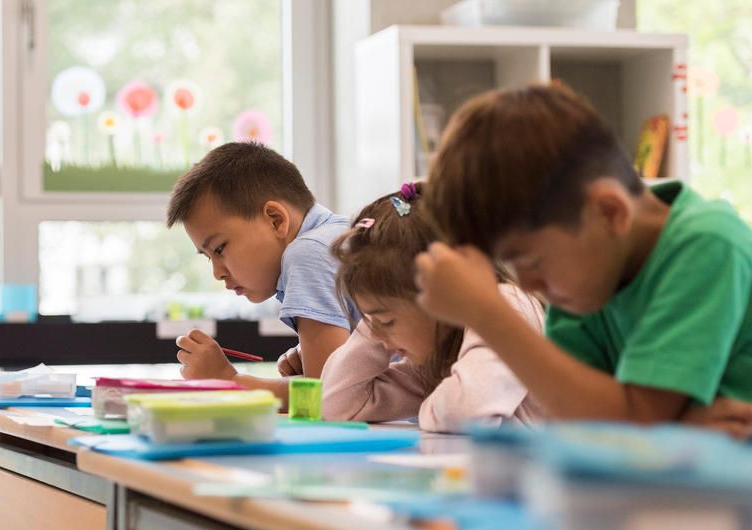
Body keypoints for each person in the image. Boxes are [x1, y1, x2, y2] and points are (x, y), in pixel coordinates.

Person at [413, 84, 752, 437]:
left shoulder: (706, 246)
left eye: (533, 262)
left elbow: (631, 420)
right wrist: (669, 430)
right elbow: (574, 425)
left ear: (610, 211)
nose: (527, 286)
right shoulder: (590, 280)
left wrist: (487, 313)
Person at [321, 182, 544, 431]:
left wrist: (428, 403)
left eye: (386, 321)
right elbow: (337, 404)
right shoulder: (438, 354)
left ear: (443, 298)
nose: (373, 335)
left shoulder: (505, 306)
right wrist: (377, 324)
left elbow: (464, 413)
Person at [166, 142, 356, 404]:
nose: (217, 273)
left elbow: (328, 399)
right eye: (208, 257)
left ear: (275, 220)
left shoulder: (307, 253)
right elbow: (338, 385)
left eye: (220, 248)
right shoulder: (336, 235)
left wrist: (229, 381)